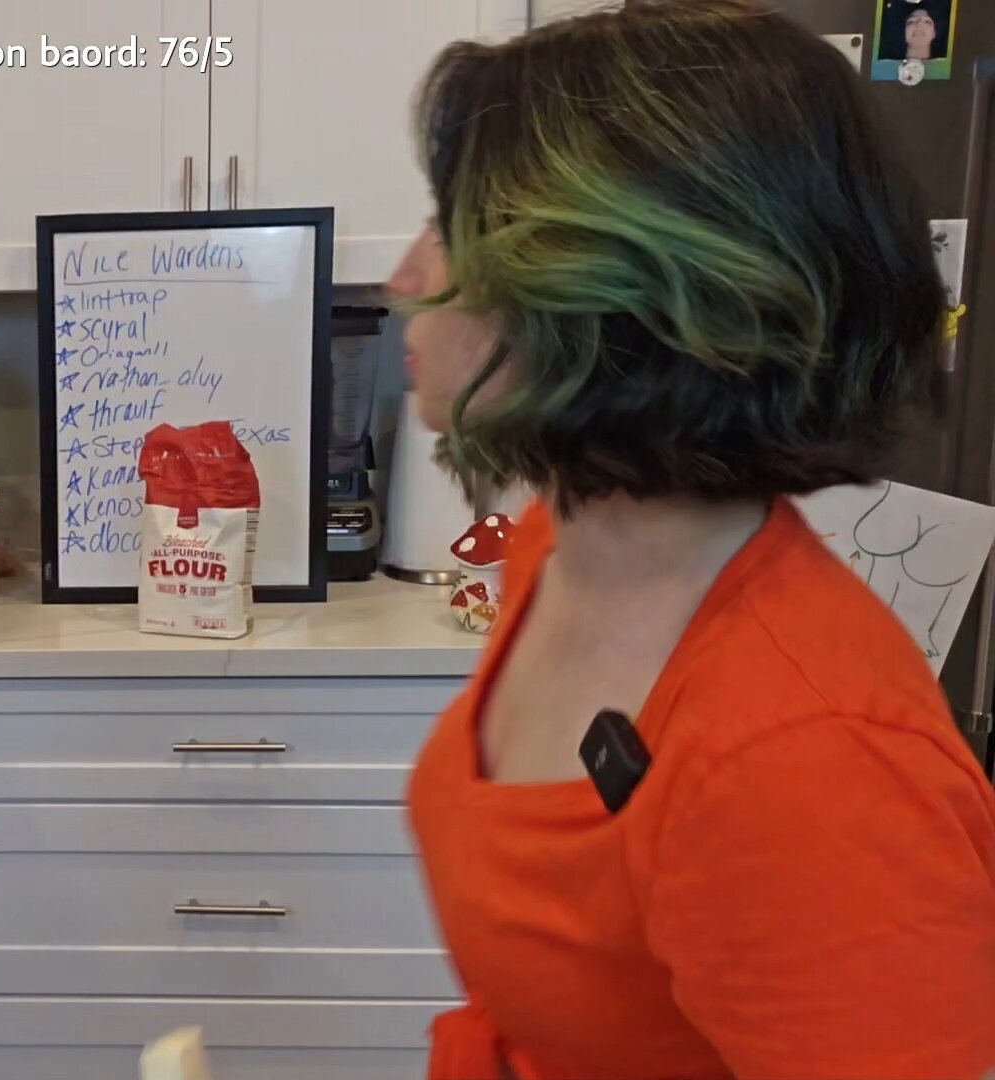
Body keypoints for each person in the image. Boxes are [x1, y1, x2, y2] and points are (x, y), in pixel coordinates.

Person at [387, 3, 995, 1078]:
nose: (402, 279)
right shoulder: (562, 550)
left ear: (605, 292)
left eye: (449, 227)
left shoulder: (809, 760)